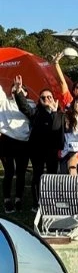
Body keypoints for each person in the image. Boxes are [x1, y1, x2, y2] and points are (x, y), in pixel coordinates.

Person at [13, 77, 64, 211]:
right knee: (38, 176)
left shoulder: (59, 114)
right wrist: (18, 91)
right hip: (37, 150)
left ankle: (50, 201)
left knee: (52, 175)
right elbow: (24, 107)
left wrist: (54, 112)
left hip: (52, 150)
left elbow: (57, 129)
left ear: (53, 98)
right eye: (43, 97)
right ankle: (36, 203)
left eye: (49, 97)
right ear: (39, 100)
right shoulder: (35, 112)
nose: (46, 99)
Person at [0, 81, 31, 213]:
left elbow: (33, 115)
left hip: (24, 142)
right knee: (9, 172)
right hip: (7, 140)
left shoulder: (31, 104)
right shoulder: (4, 103)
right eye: (14, 90)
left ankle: (18, 199)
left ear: (26, 93)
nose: (16, 92)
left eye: (20, 89)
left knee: (21, 172)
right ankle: (7, 200)